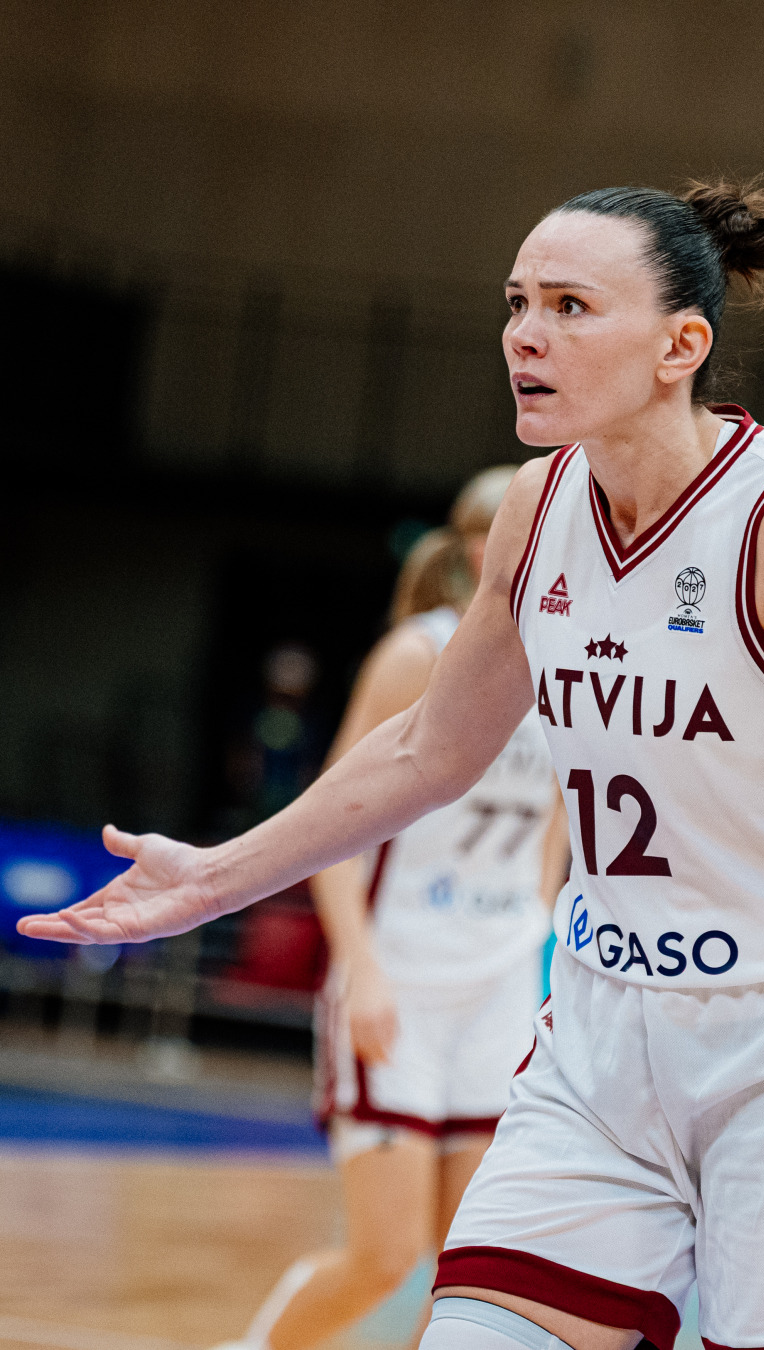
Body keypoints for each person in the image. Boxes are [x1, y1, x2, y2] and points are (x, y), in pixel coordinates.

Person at [21, 177, 764, 1350]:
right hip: (602, 1032)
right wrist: (216, 876)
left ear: (681, 346)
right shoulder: (538, 506)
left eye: (571, 306)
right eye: (518, 302)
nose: (525, 333)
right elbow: (428, 747)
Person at [213, 469, 568, 1350]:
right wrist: (361, 969)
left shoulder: (572, 654)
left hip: (497, 977)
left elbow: (563, 808)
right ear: (482, 548)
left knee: (468, 1268)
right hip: (402, 972)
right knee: (385, 1256)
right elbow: (332, 821)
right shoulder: (419, 653)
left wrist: (538, 910)